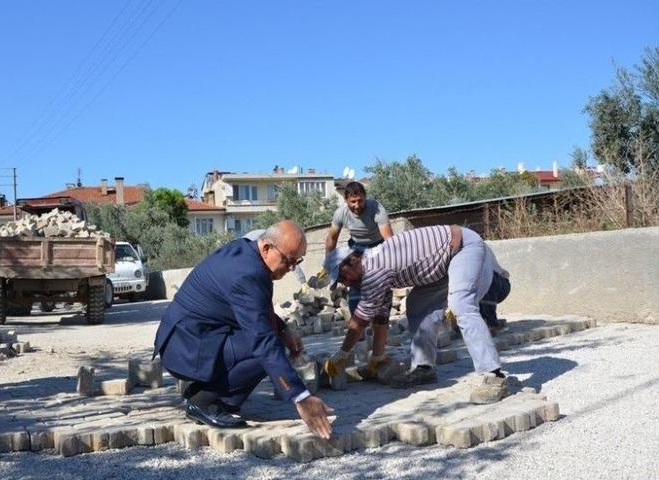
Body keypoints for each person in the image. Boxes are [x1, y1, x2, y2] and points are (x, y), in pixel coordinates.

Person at [154, 220, 333, 439]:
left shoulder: (246, 254)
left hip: (192, 338)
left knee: (272, 337)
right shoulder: (248, 273)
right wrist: (301, 397)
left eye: (297, 261)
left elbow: (252, 310)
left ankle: (207, 390)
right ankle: (203, 401)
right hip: (185, 348)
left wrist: (283, 328)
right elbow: (262, 340)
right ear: (267, 248)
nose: (292, 268)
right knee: (267, 348)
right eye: (288, 260)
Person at [323, 225, 515, 404]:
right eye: (340, 281)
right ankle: (424, 368)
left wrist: (342, 353)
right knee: (417, 305)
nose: (345, 283)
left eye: (342, 276)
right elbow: (380, 317)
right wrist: (377, 358)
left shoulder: (373, 268)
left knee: (461, 304)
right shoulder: (372, 268)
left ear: (354, 259)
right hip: (441, 262)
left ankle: (494, 375)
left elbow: (360, 321)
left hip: (462, 247)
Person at [319, 181, 393, 372]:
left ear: (365, 197)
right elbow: (331, 239)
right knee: (356, 296)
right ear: (346, 200)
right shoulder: (341, 213)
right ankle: (358, 333)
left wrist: (390, 265)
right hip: (357, 248)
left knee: (381, 299)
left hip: (378, 248)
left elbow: (390, 241)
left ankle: (378, 346)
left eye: (360, 201)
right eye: (353, 202)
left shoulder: (376, 208)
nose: (357, 206)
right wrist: (328, 265)